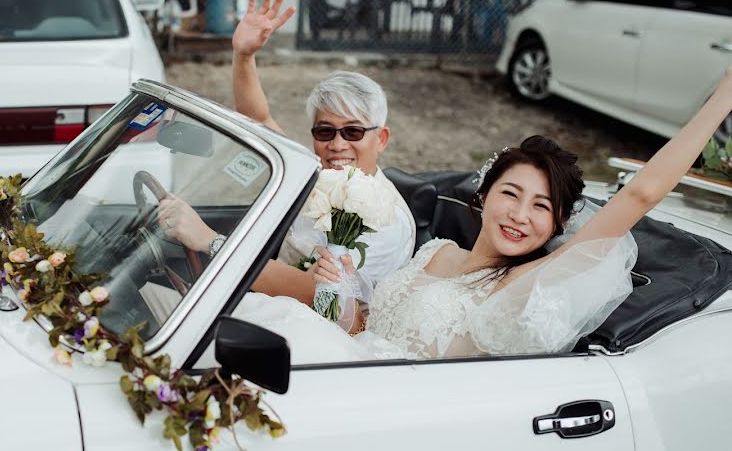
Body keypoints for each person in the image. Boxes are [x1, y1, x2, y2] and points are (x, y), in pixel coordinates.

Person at [235, 67, 732, 362]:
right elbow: (366, 332)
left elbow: (640, 195)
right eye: (511, 194)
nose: (520, 215)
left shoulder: (520, 286)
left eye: (541, 207)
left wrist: (722, 99)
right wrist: (338, 297)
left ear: (556, 226)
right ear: (484, 196)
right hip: (344, 364)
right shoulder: (436, 249)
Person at [158, 0, 416, 307]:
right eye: (325, 131)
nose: (337, 145)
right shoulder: (320, 177)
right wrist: (243, 55)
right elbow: (259, 118)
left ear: (383, 139)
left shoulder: (387, 221)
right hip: (272, 306)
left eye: (353, 131)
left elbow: (317, 294)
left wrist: (210, 241)